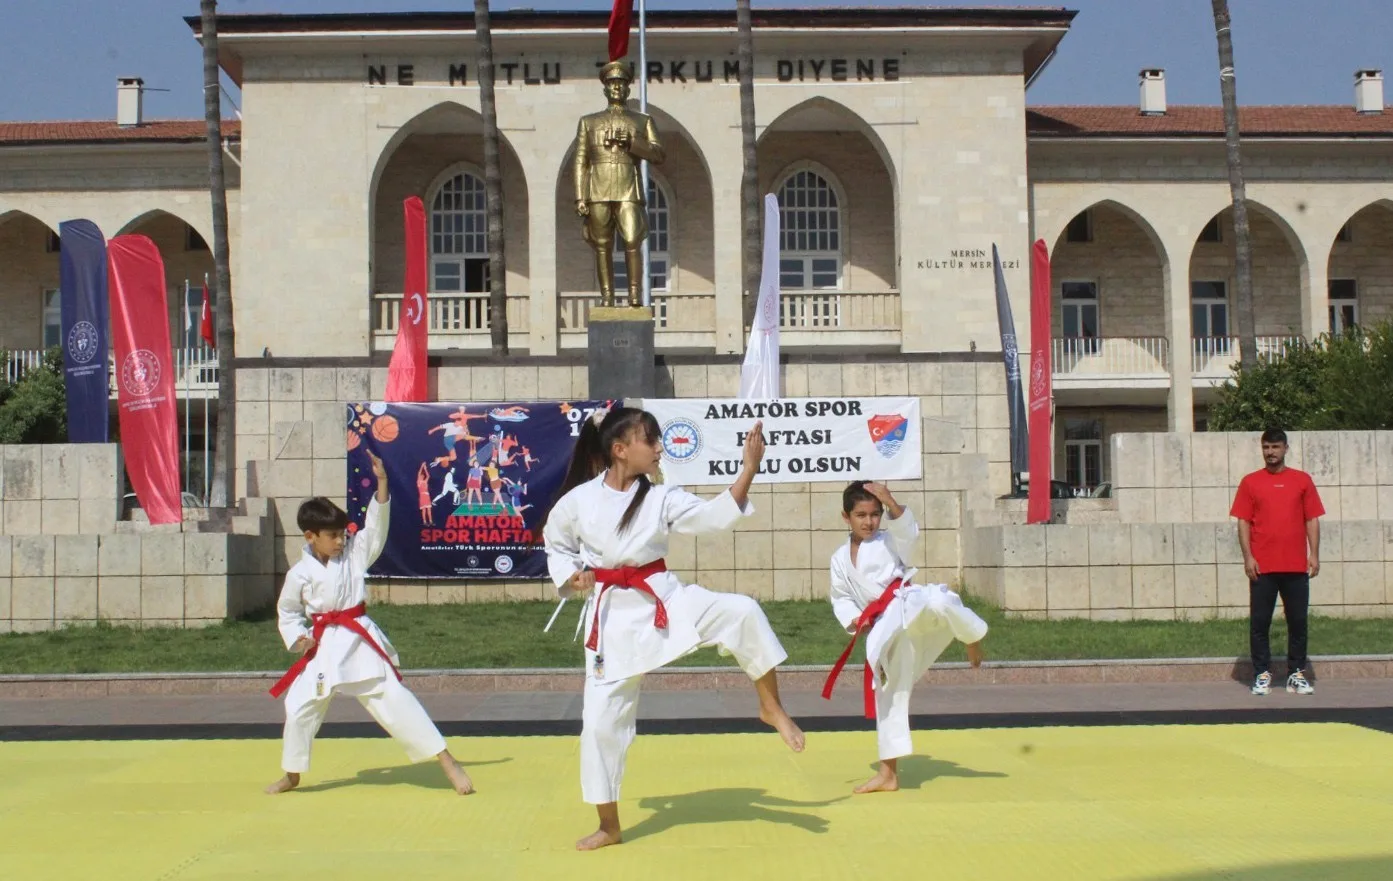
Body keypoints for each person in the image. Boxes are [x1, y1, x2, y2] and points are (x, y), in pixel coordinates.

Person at [539, 406, 805, 851]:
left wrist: (748, 471)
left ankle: (770, 706)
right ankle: (609, 825)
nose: (660, 447)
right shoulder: (579, 501)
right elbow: (555, 540)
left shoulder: (660, 497)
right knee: (601, 725)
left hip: (666, 600)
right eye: (651, 440)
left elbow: (713, 518)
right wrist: (571, 575)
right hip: (613, 621)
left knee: (741, 611)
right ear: (620, 450)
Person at [265, 449, 474, 796]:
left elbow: (375, 527)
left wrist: (381, 482)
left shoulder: (354, 552)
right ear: (310, 536)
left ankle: (447, 761)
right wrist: (299, 637)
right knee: (299, 706)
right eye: (331, 536)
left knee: (394, 697)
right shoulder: (299, 573)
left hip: (358, 641)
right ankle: (292, 773)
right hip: (323, 647)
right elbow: (287, 611)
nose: (339, 541)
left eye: (341, 534)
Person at [823, 481, 987, 794]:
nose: (869, 521)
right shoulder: (839, 558)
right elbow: (840, 596)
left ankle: (971, 635)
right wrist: (854, 619)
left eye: (875, 514)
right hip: (884, 627)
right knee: (887, 692)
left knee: (940, 600)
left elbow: (908, 531)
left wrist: (891, 501)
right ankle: (888, 774)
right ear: (846, 517)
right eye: (861, 515)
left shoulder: (889, 541)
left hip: (907, 604)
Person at [1230, 428, 1324, 696]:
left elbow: (1312, 519)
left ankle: (1296, 674)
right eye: (1266, 447)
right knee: (1260, 623)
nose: (1270, 452)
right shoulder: (1250, 482)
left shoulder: (1302, 480)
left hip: (1295, 566)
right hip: (1263, 568)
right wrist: (1248, 556)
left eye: (1275, 447)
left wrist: (1314, 554)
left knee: (1298, 622)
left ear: (1285, 448)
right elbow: (1243, 521)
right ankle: (1261, 674)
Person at [572, 61, 666, 307]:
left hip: (627, 188)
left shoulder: (642, 121)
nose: (617, 88)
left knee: (633, 239)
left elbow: (658, 154)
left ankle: (635, 294)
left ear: (627, 90)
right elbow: (581, 161)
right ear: (605, 89)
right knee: (602, 245)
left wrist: (633, 143)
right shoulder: (588, 122)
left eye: (621, 84)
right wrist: (580, 197)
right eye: (612, 84)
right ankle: (607, 296)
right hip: (598, 189)